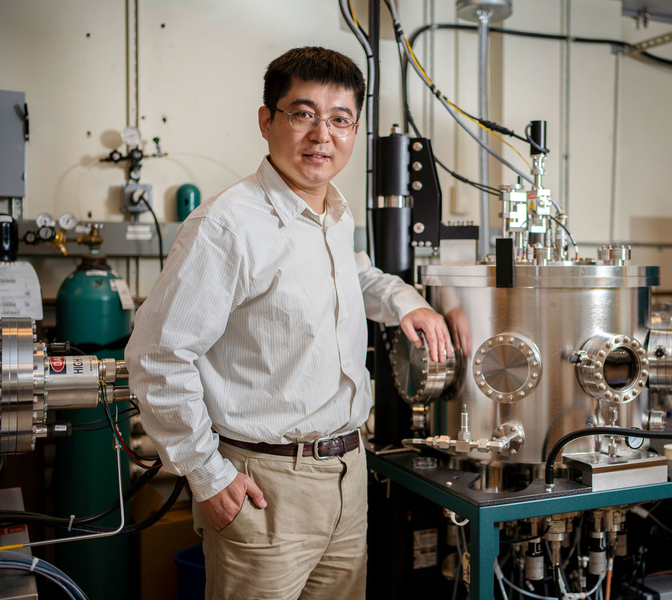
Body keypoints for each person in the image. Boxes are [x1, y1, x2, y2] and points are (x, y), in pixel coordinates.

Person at [125, 46, 452, 600]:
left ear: (354, 130)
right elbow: (157, 355)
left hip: (348, 474)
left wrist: (405, 302)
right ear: (266, 120)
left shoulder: (333, 214)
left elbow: (354, 275)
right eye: (303, 114)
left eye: (340, 119)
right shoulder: (227, 226)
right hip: (265, 484)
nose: (322, 135)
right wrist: (207, 474)